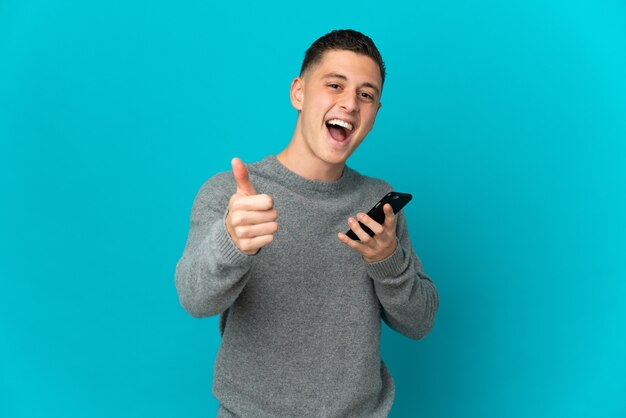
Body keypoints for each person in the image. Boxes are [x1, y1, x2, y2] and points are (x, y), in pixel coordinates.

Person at [175, 29, 439, 418]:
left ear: (375, 113)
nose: (349, 103)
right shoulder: (231, 195)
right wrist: (233, 243)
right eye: (335, 85)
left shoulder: (379, 204)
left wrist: (388, 261)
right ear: (298, 92)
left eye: (365, 94)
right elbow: (195, 300)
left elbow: (420, 323)